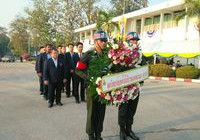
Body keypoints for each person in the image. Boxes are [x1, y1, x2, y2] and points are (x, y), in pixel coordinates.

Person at [76, 30, 108, 140]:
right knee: (92, 113)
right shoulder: (88, 54)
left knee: (101, 112)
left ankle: (98, 134)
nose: (104, 43)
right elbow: (78, 70)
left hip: (104, 88)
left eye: (105, 41)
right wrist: (91, 79)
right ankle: (91, 135)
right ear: (96, 41)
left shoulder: (106, 54)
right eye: (102, 40)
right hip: (91, 89)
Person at [118, 32, 142, 140]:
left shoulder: (140, 53)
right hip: (124, 88)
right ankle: (122, 131)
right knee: (123, 111)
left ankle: (129, 130)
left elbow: (144, 66)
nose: (135, 42)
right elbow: (116, 68)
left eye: (136, 40)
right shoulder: (121, 54)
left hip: (135, 88)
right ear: (128, 41)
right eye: (133, 40)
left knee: (132, 110)